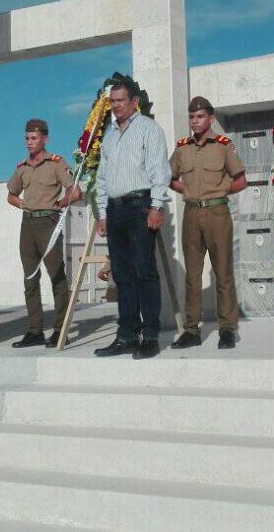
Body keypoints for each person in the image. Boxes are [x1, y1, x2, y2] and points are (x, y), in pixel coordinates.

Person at [93, 78, 171, 360]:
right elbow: (102, 179)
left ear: (134, 102)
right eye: (112, 101)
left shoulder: (149, 130)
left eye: (120, 101)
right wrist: (102, 213)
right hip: (114, 210)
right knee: (122, 276)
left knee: (144, 272)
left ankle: (149, 335)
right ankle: (126, 334)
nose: (115, 106)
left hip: (140, 206)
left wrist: (156, 206)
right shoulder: (110, 136)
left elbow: (160, 171)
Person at [169, 96, 247, 351]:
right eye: (192, 117)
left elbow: (241, 180)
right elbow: (169, 178)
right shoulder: (182, 148)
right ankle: (191, 330)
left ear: (210, 119)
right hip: (191, 214)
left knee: (223, 273)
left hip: (217, 214)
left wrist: (219, 191)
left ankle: (227, 329)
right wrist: (189, 191)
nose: (195, 121)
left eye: (200, 116)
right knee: (192, 276)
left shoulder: (223, 146)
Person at [6, 118, 82, 349]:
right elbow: (10, 195)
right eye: (27, 138)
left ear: (45, 138)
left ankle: (60, 330)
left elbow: (76, 192)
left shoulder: (56, 163)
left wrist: (60, 203)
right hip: (27, 225)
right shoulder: (22, 168)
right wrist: (23, 204)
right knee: (30, 279)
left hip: (48, 223)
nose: (30, 143)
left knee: (57, 277)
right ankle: (34, 330)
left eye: (34, 138)